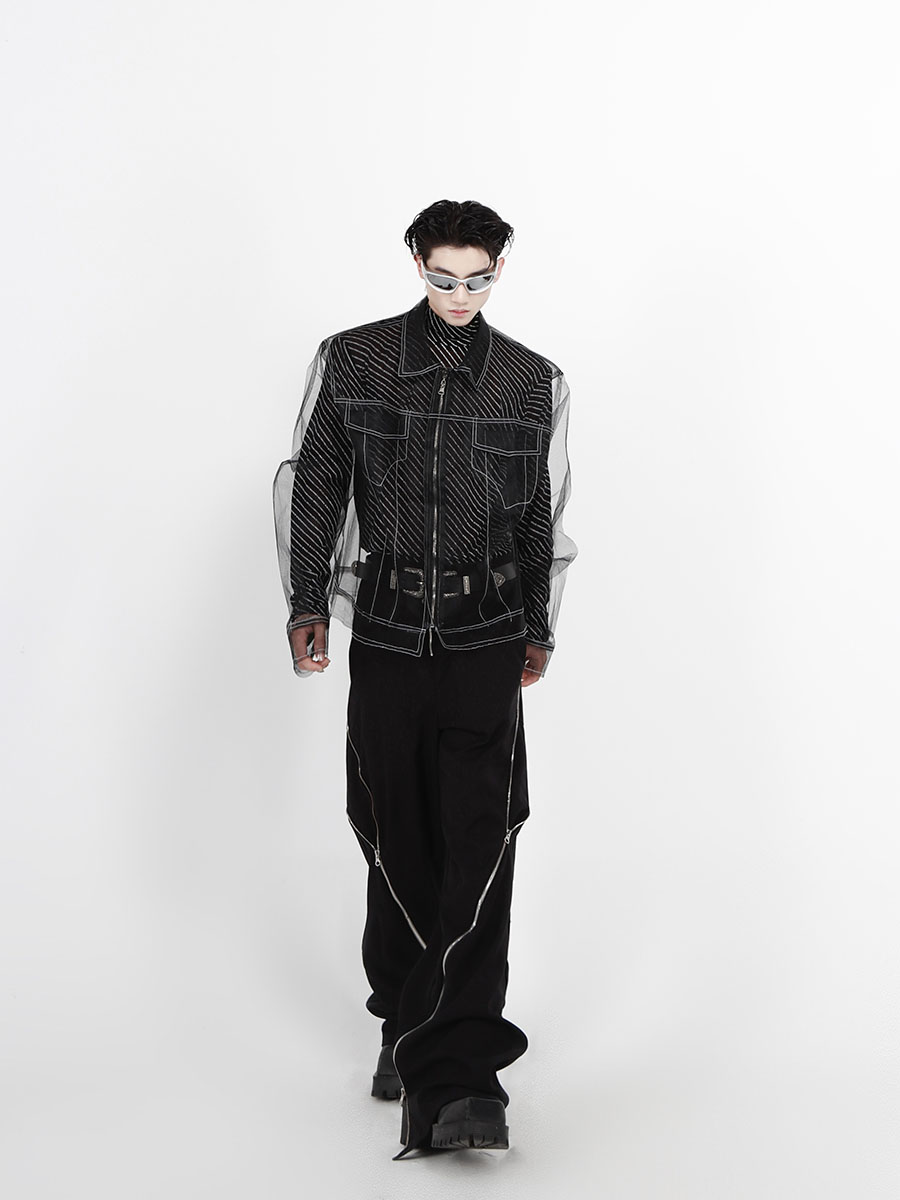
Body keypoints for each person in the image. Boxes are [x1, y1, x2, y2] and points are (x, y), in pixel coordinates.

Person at [272, 198, 577, 1157]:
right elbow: (317, 483)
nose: (459, 294)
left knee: (482, 840)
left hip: (488, 636)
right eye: (443, 276)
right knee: (394, 830)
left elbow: (537, 512)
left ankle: (463, 1078)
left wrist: (538, 625)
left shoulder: (529, 379)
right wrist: (306, 601)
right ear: (416, 262)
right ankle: (404, 1022)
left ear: (500, 270)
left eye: (477, 279)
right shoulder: (355, 359)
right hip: (389, 635)